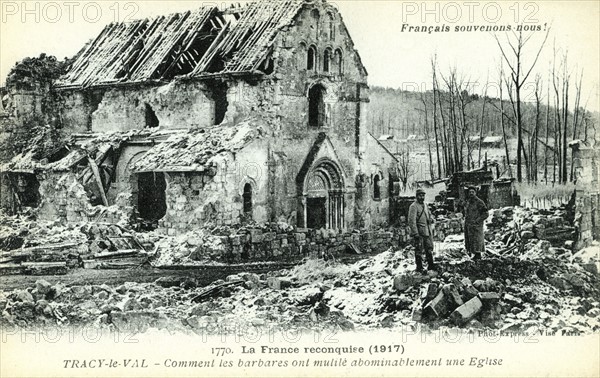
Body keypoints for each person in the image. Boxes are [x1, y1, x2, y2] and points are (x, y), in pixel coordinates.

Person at [408, 188, 436, 272]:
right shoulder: (413, 206)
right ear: (416, 196)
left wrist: (431, 219)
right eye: (420, 195)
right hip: (419, 232)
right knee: (419, 250)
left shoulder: (425, 205)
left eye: (423, 195)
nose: (422, 197)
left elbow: (430, 215)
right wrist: (415, 233)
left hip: (427, 231)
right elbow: (411, 221)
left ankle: (431, 266)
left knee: (429, 248)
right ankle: (419, 267)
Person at [463, 186, 489, 260]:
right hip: (469, 225)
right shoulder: (468, 202)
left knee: (477, 240)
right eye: (470, 192)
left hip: (476, 226)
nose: (471, 193)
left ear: (475, 193)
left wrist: (477, 221)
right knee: (470, 240)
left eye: (473, 192)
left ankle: (478, 255)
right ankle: (474, 255)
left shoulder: (479, 202)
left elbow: (485, 213)